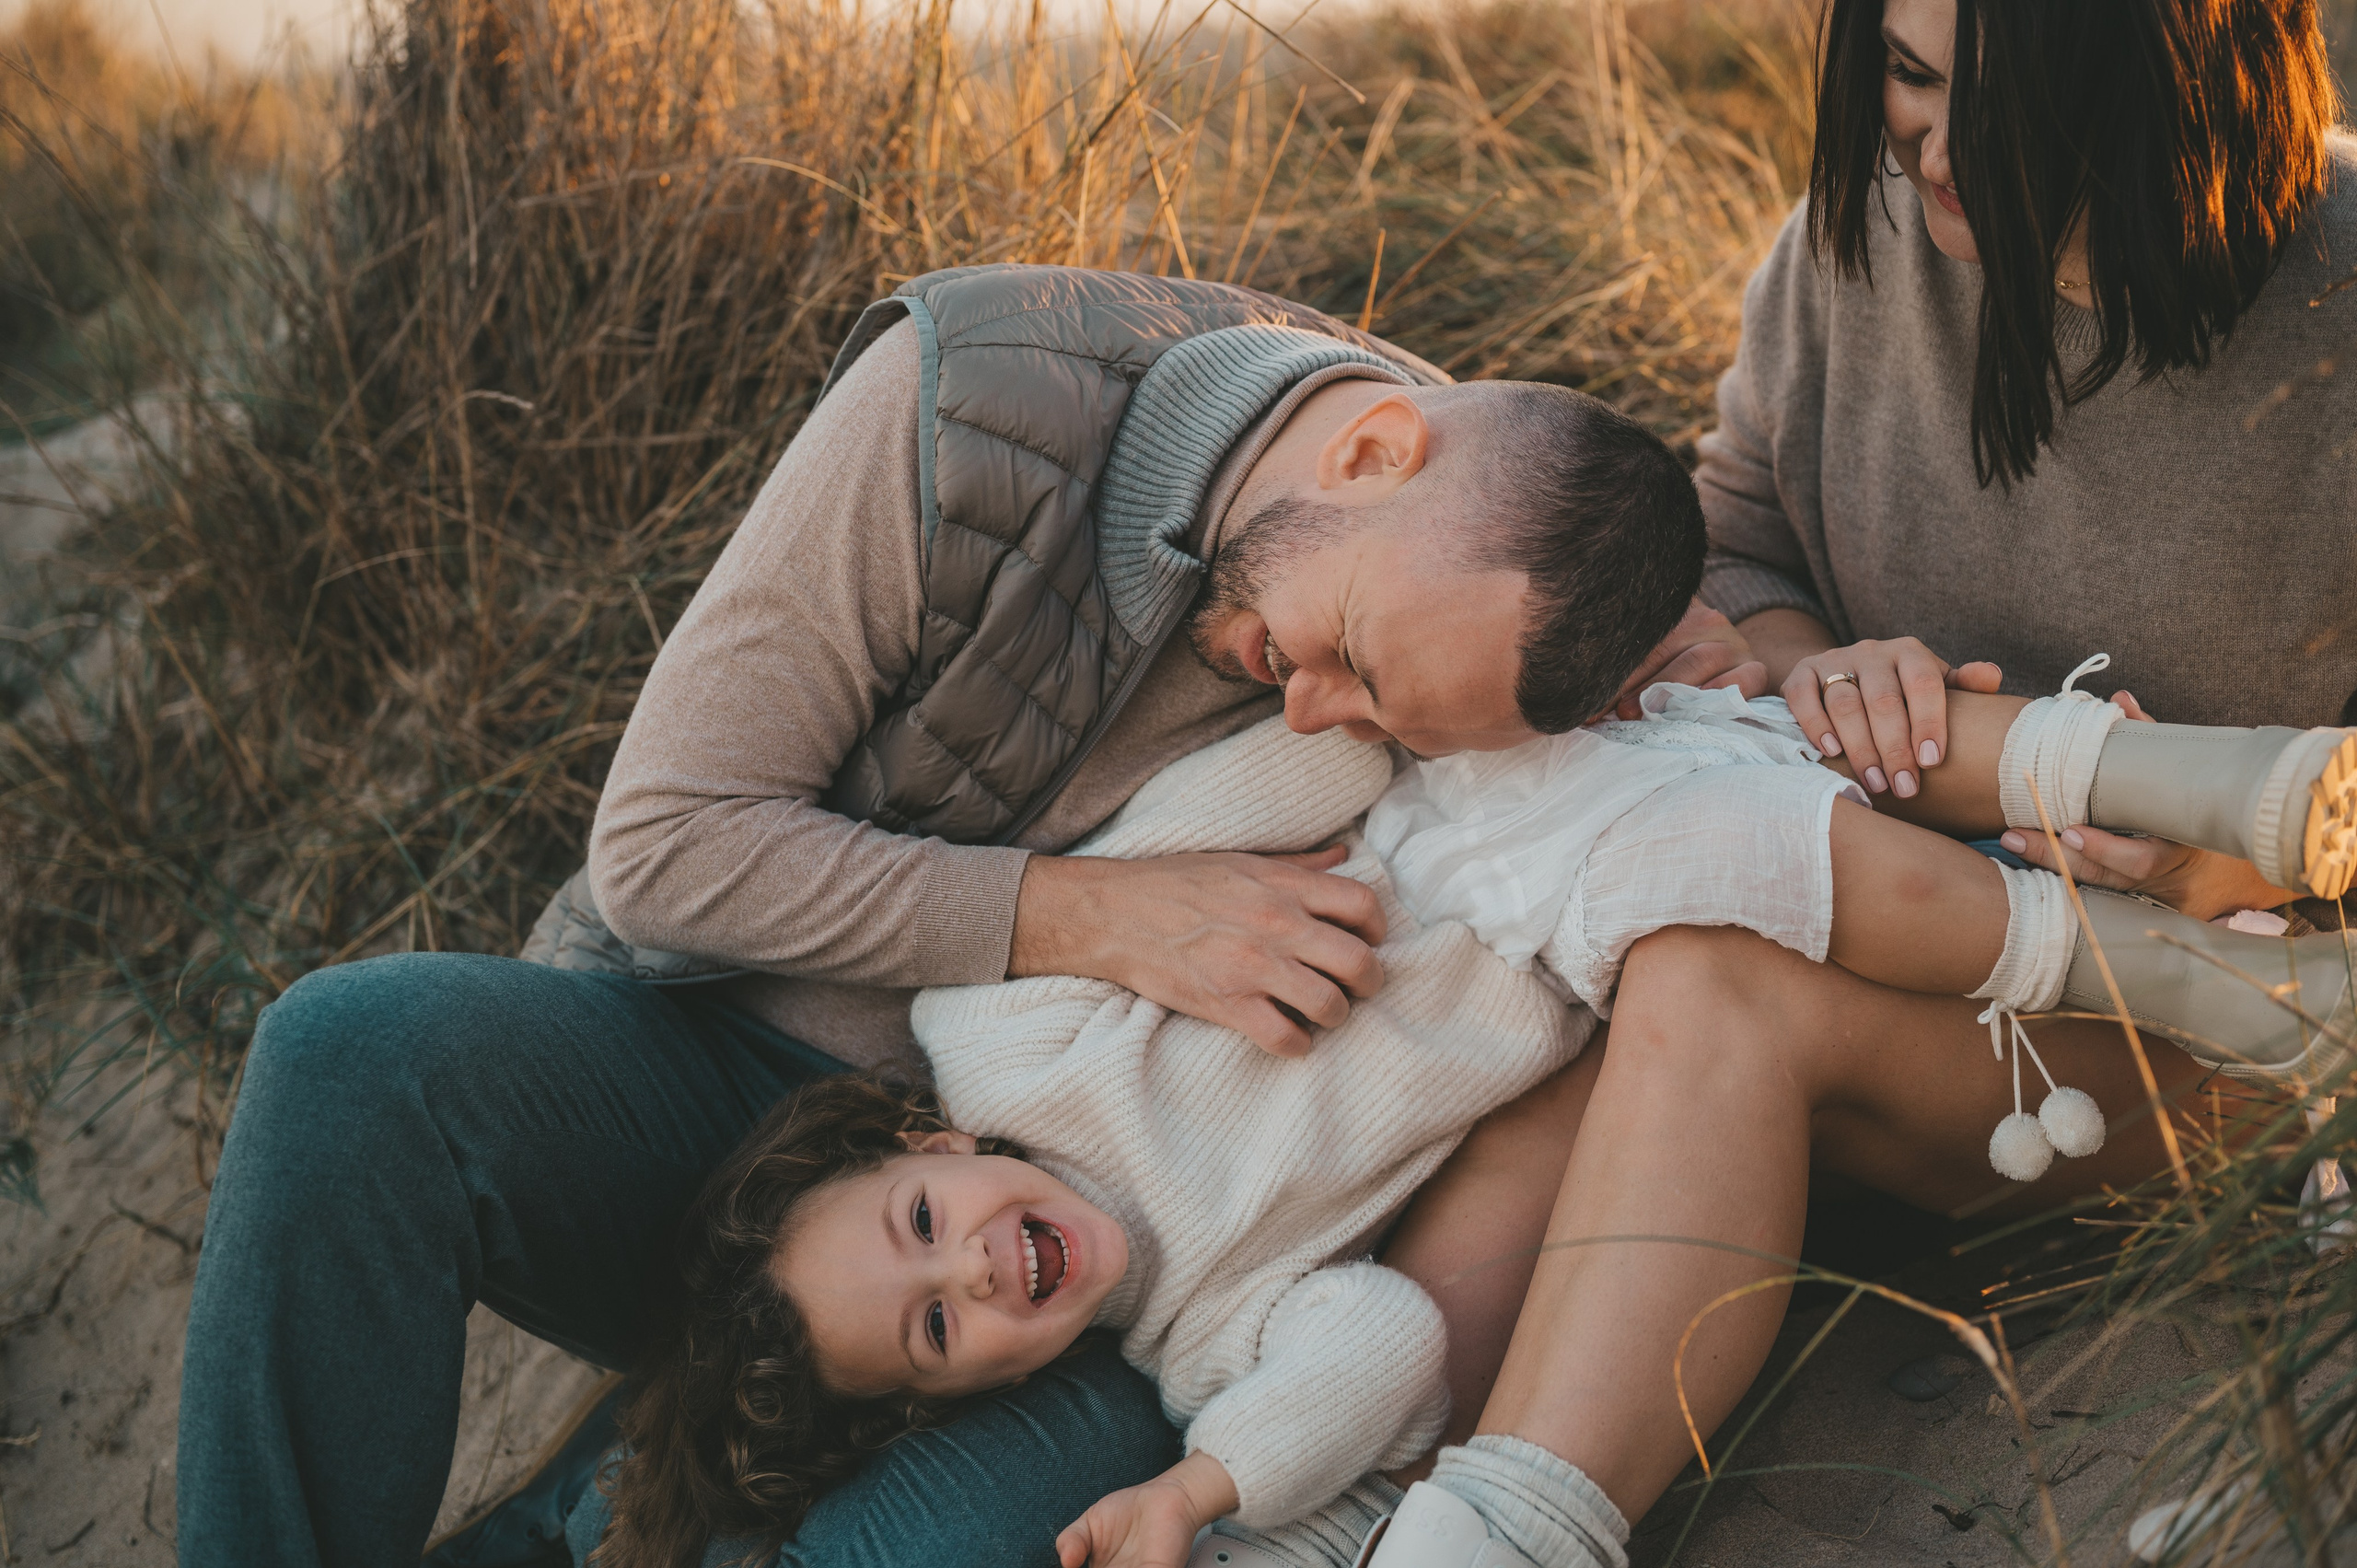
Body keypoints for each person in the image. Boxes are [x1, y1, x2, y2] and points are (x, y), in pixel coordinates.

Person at [173, 263, 1708, 1568]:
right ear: (1368, 451)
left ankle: (593, 1519)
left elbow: (1681, 637)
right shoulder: (967, 417)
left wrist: (1784, 657)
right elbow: (665, 847)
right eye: (1343, 657)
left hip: (1113, 1275)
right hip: (731, 1086)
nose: (1328, 719)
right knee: (351, 1055)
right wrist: (1084, 917)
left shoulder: (1480, 552)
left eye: (1382, 707)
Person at [1315, 3, 2355, 1566]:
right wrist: (1817, 661)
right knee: (1667, 926)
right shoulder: (1860, 238)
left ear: (2173, 84)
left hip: (2239, 1025)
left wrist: (2232, 874)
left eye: (1992, 112)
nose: (1927, 152)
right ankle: (1389, 1501)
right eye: (1906, 76)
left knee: (1711, 959)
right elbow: (1737, 535)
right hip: (1874, 916)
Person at [598, 657, 2356, 1568]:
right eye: (934, 1337)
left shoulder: (1007, 1031)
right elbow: (1373, 1346)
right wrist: (1213, 1477)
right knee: (1697, 914)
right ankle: (2206, 936)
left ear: (924, 1142)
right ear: (975, 1395)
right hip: (1692, 952)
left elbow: (1278, 788)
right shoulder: (1204, 1340)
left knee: (1732, 740)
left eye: (924, 1235)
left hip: (1526, 831)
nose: (976, 1279)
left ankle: (2229, 820)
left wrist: (1334, 733)